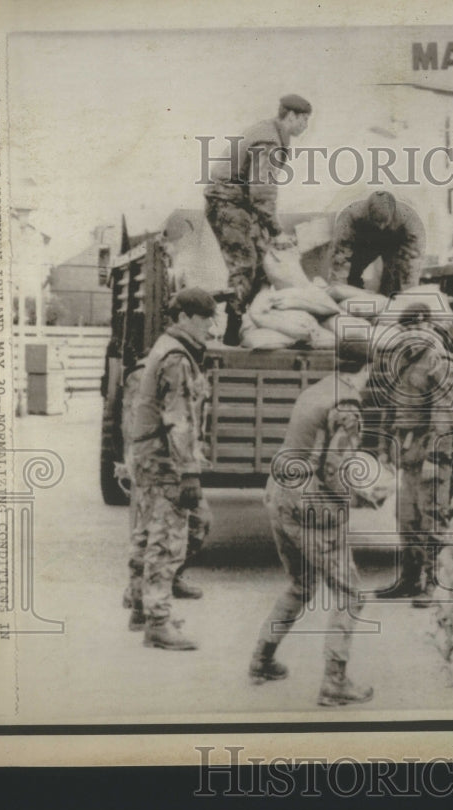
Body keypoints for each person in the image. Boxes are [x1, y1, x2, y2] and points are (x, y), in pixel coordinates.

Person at [249, 328, 383, 706]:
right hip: (311, 506)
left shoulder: (316, 389)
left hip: (280, 494)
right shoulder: (348, 405)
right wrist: (362, 495)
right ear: (369, 366)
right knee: (351, 594)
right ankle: (334, 682)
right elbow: (335, 469)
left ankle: (262, 660)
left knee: (301, 585)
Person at [127, 287, 217, 650]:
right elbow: (178, 419)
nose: (211, 325)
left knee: (148, 534)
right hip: (165, 462)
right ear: (184, 318)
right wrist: (190, 471)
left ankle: (139, 606)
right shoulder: (176, 357)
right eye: (205, 317)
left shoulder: (167, 348)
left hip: (149, 456)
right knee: (166, 540)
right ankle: (158, 623)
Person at [204, 94, 312, 345]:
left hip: (239, 203)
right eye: (304, 119)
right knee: (245, 264)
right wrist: (276, 232)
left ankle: (248, 320)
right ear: (291, 116)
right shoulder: (268, 141)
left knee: (263, 262)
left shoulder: (271, 134)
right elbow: (262, 191)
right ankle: (233, 327)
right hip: (227, 202)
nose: (306, 125)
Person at [373, 306, 453, 606]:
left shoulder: (439, 360)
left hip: (429, 449)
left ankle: (434, 585)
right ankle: (410, 579)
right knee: (406, 518)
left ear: (427, 327)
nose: (409, 336)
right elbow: (389, 406)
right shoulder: (402, 361)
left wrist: (435, 458)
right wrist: (383, 446)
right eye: (405, 330)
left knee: (432, 516)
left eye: (414, 329)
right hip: (407, 450)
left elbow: (445, 412)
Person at [121, 364, 210, 631]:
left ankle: (141, 606)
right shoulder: (158, 370)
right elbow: (137, 424)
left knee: (155, 535)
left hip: (161, 464)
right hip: (158, 466)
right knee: (162, 539)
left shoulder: (184, 368)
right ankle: (153, 615)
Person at [329, 191, 427, 297]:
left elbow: (411, 261)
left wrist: (410, 292)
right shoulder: (350, 215)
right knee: (351, 277)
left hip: (394, 244)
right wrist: (339, 290)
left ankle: (391, 301)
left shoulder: (409, 219)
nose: (381, 227)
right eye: (377, 222)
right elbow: (340, 256)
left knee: (395, 280)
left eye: (384, 222)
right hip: (363, 243)